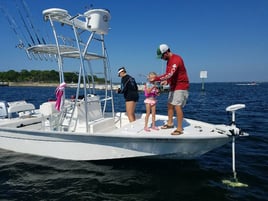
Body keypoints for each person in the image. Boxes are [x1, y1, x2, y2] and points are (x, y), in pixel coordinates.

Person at [153, 44, 189, 135]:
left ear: (166, 52)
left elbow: (170, 74)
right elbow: (170, 75)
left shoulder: (176, 59)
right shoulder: (168, 61)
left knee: (177, 106)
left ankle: (180, 129)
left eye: (161, 56)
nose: (161, 58)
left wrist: (156, 78)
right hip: (174, 86)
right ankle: (170, 123)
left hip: (181, 86)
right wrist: (167, 81)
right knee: (169, 104)